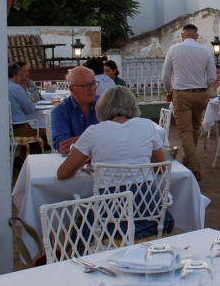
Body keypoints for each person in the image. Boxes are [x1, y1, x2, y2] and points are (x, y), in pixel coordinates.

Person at [56, 86, 174, 238]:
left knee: (78, 223)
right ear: (133, 104)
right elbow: (161, 168)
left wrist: (86, 158)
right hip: (148, 211)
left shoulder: (94, 132)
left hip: (108, 217)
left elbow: (62, 173)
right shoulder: (147, 126)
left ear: (102, 107)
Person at [161, 24, 215, 181]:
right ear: (197, 36)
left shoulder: (174, 49)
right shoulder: (205, 50)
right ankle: (188, 160)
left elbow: (165, 76)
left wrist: (169, 92)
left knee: (185, 132)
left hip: (182, 94)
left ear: (182, 35)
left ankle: (194, 167)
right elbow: (212, 76)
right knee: (195, 129)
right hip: (200, 94)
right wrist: (205, 88)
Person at [51, 66, 100, 154]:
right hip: (74, 164)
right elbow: (64, 146)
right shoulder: (59, 111)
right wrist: (98, 140)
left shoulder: (104, 105)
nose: (92, 89)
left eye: (93, 83)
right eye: (86, 86)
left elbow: (115, 136)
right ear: (72, 89)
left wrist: (80, 140)